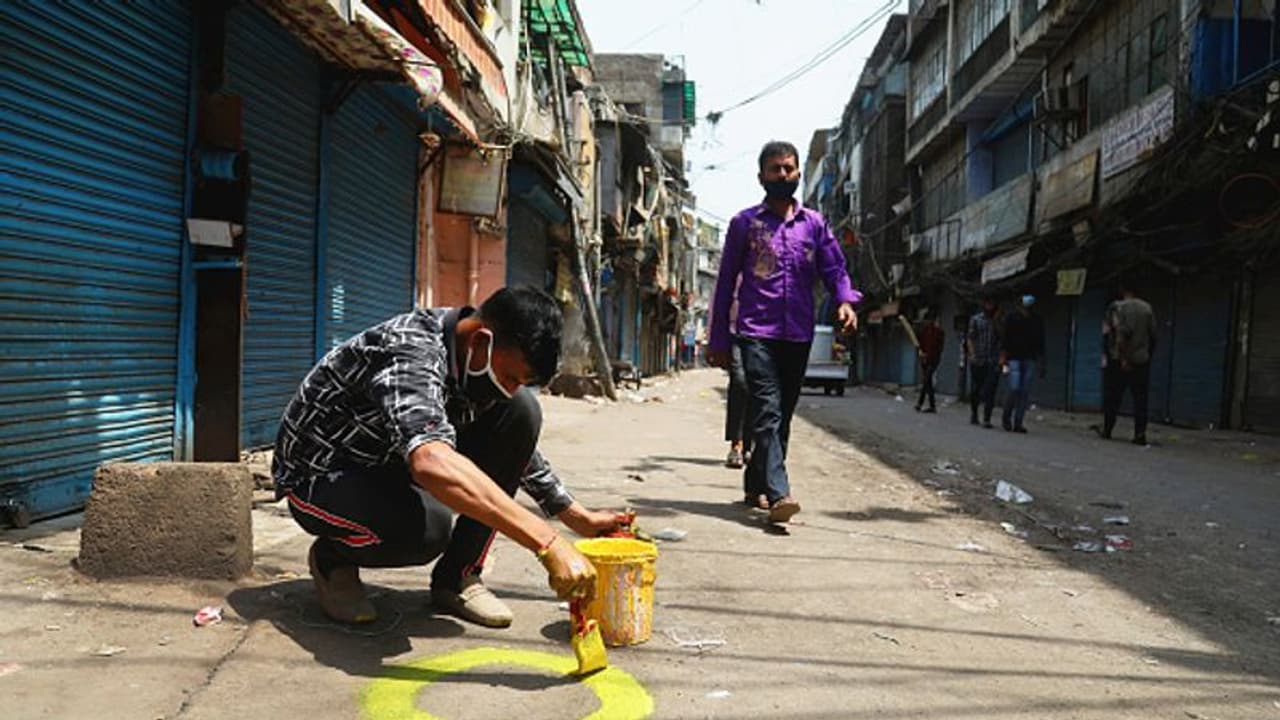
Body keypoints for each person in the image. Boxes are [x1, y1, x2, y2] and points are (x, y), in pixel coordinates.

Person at [271, 287, 627, 626]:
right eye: (510, 376)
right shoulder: (411, 350)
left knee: (520, 412)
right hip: (321, 477)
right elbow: (429, 460)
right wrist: (546, 542)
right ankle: (334, 558)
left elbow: (513, 451)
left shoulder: (469, 359)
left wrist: (575, 516)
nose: (509, 387)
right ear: (480, 340)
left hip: (388, 461)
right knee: (425, 531)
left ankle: (457, 579)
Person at [706, 140, 862, 524]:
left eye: (789, 168)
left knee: (782, 415)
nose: (782, 175)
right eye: (775, 169)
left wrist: (844, 301)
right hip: (756, 331)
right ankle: (779, 493)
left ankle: (755, 483)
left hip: (798, 333)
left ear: (798, 174)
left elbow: (834, 269)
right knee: (768, 411)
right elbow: (726, 283)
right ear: (761, 176)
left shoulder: (814, 224)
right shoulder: (745, 224)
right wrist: (719, 340)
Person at [1095, 279, 1157, 445]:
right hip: (1141, 360)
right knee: (1140, 400)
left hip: (1119, 360)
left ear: (1122, 289)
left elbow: (1115, 335)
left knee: (1113, 397)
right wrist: (1146, 355)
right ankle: (1140, 434)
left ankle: (1108, 429)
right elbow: (1153, 336)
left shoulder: (1116, 307)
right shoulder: (1147, 309)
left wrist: (1122, 359)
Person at [1000, 294, 1046, 433]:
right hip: (1013, 357)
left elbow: (1041, 342)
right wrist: (1003, 356)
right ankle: (1006, 416)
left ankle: (1018, 422)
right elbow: (1004, 337)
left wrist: (1042, 361)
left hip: (1030, 358)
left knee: (1024, 391)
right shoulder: (1011, 318)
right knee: (1014, 388)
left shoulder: (1037, 320)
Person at [966, 295, 1001, 428]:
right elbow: (970, 338)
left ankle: (987, 418)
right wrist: (972, 354)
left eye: (993, 304)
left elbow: (1002, 338)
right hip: (978, 359)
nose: (990, 306)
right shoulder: (976, 319)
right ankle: (974, 414)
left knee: (991, 389)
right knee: (976, 389)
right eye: (988, 304)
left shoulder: (997, 321)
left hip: (992, 360)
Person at [915, 311, 945, 413]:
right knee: (928, 382)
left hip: (933, 360)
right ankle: (932, 406)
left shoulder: (939, 332)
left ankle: (920, 403)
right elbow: (919, 345)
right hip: (924, 360)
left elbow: (939, 348)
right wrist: (921, 353)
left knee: (927, 380)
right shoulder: (923, 331)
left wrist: (930, 355)